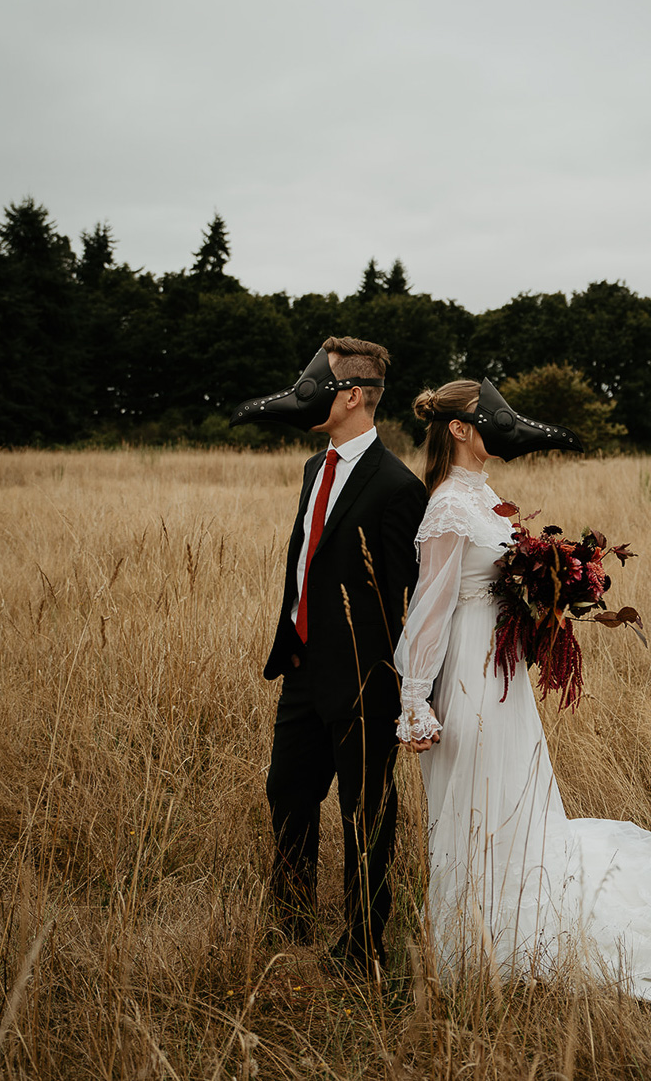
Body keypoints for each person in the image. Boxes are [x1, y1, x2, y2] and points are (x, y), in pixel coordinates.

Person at [395, 379, 651, 1006]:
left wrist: (555, 587)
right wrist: (415, 697)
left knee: (513, 787)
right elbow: (430, 608)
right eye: (489, 418)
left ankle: (514, 922)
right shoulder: (445, 506)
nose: (503, 427)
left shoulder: (483, 494)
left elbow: (503, 576)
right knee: (478, 795)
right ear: (461, 429)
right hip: (467, 664)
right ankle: (479, 938)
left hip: (501, 665)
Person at [250, 337, 426, 976]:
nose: (307, 394)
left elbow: (408, 594)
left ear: (352, 395)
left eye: (318, 383)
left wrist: (409, 690)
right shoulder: (311, 467)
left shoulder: (397, 487)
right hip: (300, 667)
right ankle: (292, 918)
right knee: (287, 793)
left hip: (363, 681)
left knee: (365, 818)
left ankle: (364, 949)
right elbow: (307, 560)